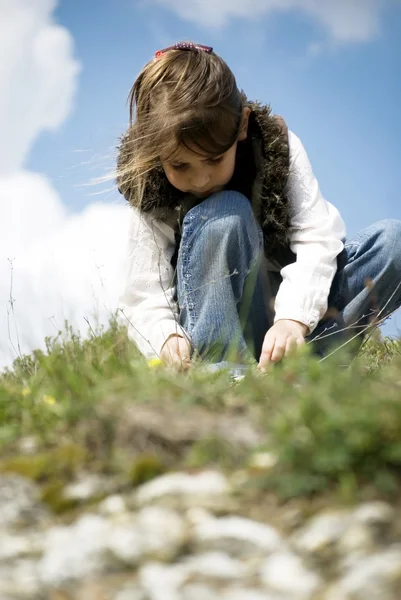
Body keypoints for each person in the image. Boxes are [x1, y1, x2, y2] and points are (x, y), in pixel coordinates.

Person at [116, 41, 401, 373]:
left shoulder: (276, 148)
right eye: (181, 166)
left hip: (293, 320)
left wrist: (293, 319)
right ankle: (223, 373)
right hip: (218, 320)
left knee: (393, 242)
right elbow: (143, 288)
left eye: (214, 158)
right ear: (153, 152)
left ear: (242, 125)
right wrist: (166, 336)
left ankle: (300, 370)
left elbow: (317, 240)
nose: (202, 178)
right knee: (224, 212)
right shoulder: (150, 186)